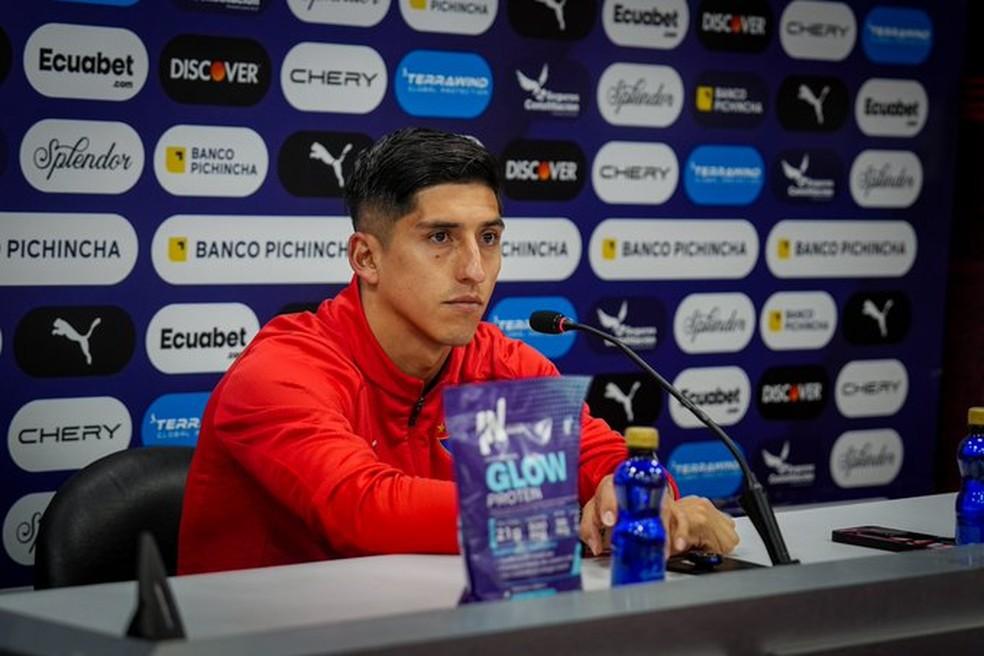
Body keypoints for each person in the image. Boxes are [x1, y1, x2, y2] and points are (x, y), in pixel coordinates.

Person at [178, 127, 738, 575]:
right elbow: (362, 508)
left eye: (489, 239)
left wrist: (646, 501)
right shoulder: (282, 370)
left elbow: (602, 460)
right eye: (440, 238)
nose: (475, 270)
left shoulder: (504, 362)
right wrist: (562, 519)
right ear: (366, 259)